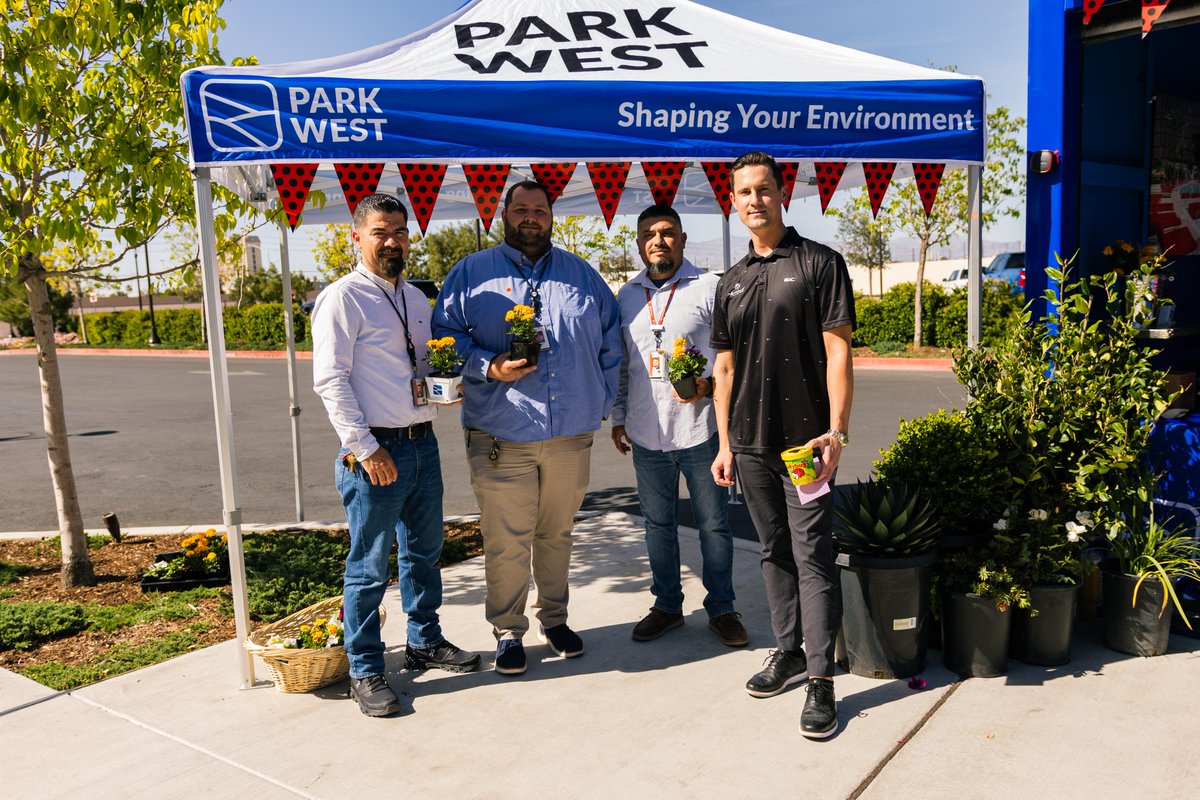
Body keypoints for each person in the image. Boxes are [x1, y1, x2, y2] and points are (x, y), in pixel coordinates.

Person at [433, 180, 622, 676]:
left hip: (569, 436)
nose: (531, 218)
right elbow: (443, 336)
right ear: (504, 215)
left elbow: (611, 344)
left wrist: (599, 403)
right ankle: (508, 630)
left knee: (556, 533)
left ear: (551, 216)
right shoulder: (470, 274)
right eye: (521, 210)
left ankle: (554, 619)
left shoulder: (582, 275)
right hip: (501, 435)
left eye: (540, 210)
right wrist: (487, 367)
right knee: (506, 539)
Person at [312, 193, 480, 718]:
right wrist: (366, 448)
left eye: (400, 232)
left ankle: (424, 640)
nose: (392, 242)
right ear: (356, 238)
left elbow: (416, 364)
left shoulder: (413, 297)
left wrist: (438, 388)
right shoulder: (342, 298)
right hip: (375, 451)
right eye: (381, 233)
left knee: (424, 552)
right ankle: (364, 666)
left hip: (421, 443)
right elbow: (330, 381)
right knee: (367, 568)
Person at [709, 152, 855, 739]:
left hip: (806, 445)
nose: (753, 200)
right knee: (772, 551)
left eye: (763, 190)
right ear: (733, 200)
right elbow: (723, 368)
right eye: (743, 192)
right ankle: (787, 649)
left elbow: (840, 351)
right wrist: (723, 444)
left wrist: (838, 431)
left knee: (813, 554)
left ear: (780, 193)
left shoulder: (820, 263)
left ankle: (821, 680)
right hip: (748, 445)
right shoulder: (732, 280)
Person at [611, 203, 745, 647]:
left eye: (667, 232)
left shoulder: (710, 287)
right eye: (649, 233)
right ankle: (667, 605)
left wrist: (705, 387)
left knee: (713, 524)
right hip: (647, 435)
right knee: (657, 525)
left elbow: (733, 359)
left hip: (701, 431)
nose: (658, 240)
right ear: (638, 242)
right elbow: (624, 366)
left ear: (683, 240)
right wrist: (618, 418)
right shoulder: (626, 296)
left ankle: (722, 608)